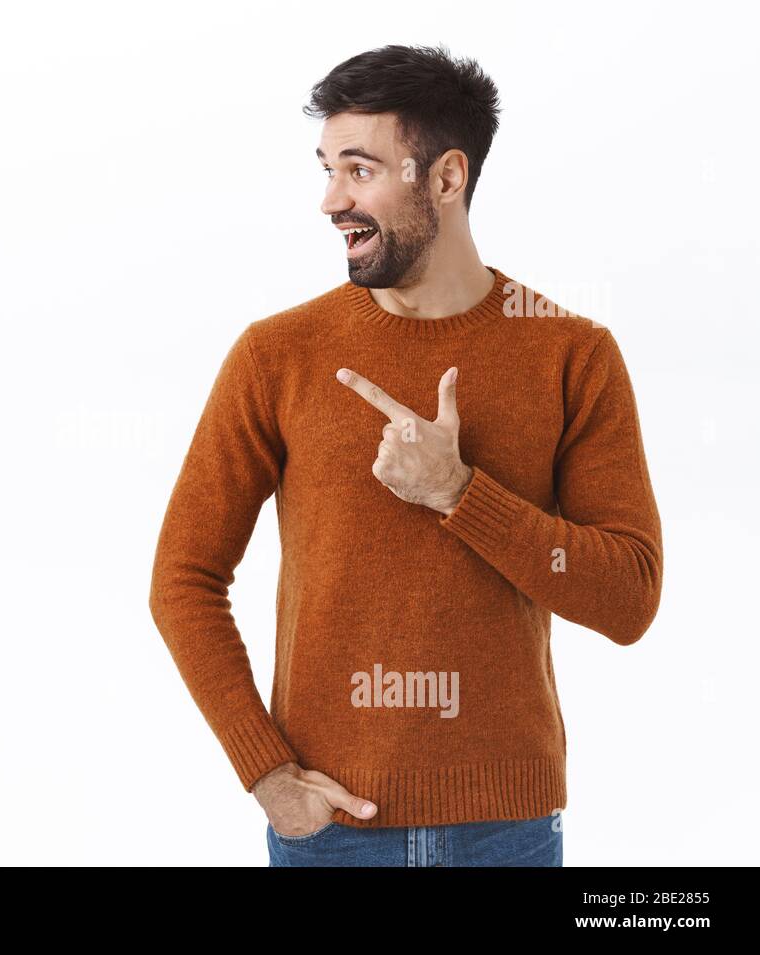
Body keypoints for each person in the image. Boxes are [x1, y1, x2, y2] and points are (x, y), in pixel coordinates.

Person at [147, 44, 662, 867]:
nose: (329, 201)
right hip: (330, 835)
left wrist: (460, 493)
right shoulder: (276, 355)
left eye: (359, 171)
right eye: (326, 169)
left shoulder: (571, 352)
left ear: (446, 178)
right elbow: (182, 576)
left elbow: (629, 598)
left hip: (510, 833)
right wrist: (268, 773)